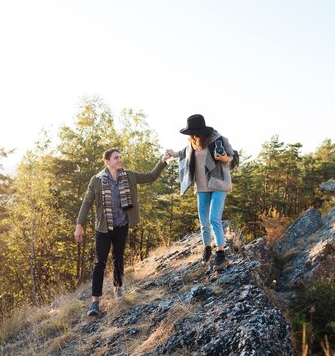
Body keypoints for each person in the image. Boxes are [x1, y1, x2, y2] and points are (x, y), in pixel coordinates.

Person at [75, 147, 171, 317]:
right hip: (103, 228)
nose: (120, 160)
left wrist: (163, 160)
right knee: (100, 263)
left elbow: (151, 176)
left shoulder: (129, 176)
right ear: (107, 162)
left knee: (118, 258)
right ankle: (95, 302)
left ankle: (118, 289)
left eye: (120, 157)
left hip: (122, 225)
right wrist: (79, 225)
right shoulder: (96, 180)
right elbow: (86, 203)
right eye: (116, 158)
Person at [165, 114, 235, 272]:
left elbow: (232, 156)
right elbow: (183, 153)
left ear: (203, 131)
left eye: (195, 133)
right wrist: (171, 153)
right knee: (204, 222)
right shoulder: (191, 143)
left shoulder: (219, 139)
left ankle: (221, 254)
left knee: (214, 218)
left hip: (218, 184)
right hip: (201, 187)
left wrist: (225, 158)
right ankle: (207, 248)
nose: (192, 135)